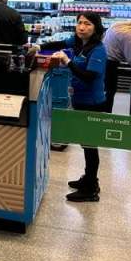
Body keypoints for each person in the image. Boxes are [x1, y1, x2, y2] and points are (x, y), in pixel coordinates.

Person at [39, 12, 107, 202]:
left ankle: (91, 188)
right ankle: (89, 178)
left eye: (87, 24)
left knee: (90, 145)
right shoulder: (78, 43)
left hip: (92, 103)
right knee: (85, 143)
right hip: (79, 99)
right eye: (79, 23)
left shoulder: (98, 50)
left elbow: (89, 76)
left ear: (96, 28)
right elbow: (59, 44)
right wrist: (39, 46)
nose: (82, 27)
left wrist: (67, 62)